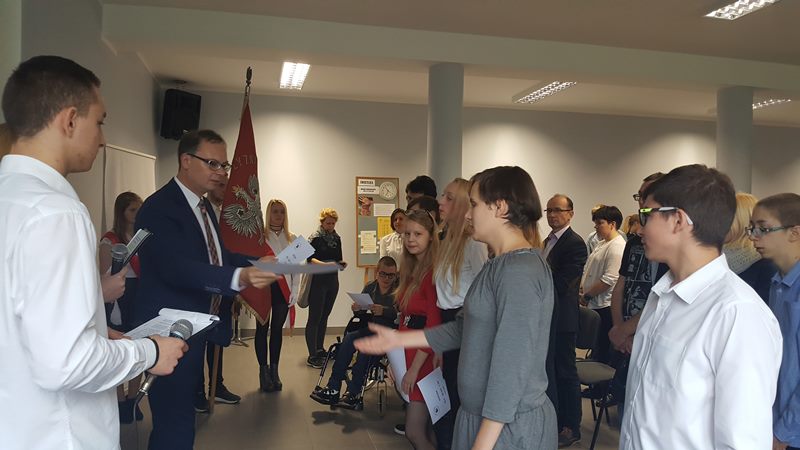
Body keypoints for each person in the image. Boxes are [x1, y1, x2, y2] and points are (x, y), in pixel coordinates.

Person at [0, 55, 186, 450]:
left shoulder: (10, 197)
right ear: (69, 120)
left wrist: (99, 333)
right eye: (99, 122)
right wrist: (150, 351)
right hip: (59, 435)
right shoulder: (56, 212)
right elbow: (66, 362)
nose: (102, 139)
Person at [357, 165, 557, 450]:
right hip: (481, 419)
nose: (467, 214)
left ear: (500, 207)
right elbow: (466, 327)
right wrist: (401, 340)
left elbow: (511, 370)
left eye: (474, 205)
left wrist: (482, 444)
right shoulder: (498, 264)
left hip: (504, 430)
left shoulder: (519, 272)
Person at [620, 164, 782, 449]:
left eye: (647, 214)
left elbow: (743, 441)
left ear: (678, 220)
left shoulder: (737, 313)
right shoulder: (661, 296)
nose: (640, 228)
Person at [134, 129, 277, 450]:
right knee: (174, 422)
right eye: (213, 163)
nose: (221, 173)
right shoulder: (159, 207)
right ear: (186, 160)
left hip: (196, 326)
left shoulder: (203, 206)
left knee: (182, 418)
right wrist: (239, 277)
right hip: (168, 330)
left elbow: (217, 256)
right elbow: (175, 267)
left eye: (224, 165)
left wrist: (257, 262)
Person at [606, 173, 668, 417]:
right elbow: (620, 286)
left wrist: (626, 331)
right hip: (627, 338)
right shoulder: (633, 243)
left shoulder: (669, 249)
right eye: (639, 195)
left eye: (647, 195)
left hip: (651, 337)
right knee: (628, 405)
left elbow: (661, 298)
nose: (641, 200)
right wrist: (619, 328)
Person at [434, 177, 489, 450]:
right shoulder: (446, 239)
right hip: (447, 320)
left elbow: (481, 292)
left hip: (464, 322)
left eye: (449, 198)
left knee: (457, 394)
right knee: (446, 393)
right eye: (443, 196)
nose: (440, 202)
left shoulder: (473, 244)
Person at [311, 256, 399, 409]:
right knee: (349, 338)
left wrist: (384, 311)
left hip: (388, 333)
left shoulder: (400, 290)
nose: (386, 278)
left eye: (391, 275)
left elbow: (403, 315)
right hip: (369, 328)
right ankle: (333, 387)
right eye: (383, 274)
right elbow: (362, 315)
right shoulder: (370, 287)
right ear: (377, 273)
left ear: (395, 275)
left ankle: (354, 392)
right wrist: (357, 309)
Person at [749, 193, 800, 450]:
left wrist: (783, 432)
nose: (753, 237)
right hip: (776, 420)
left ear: (794, 233)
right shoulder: (777, 283)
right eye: (752, 228)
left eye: (764, 229)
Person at [542, 194, 588, 448]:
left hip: (563, 320)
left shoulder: (575, 244)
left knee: (565, 372)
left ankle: (571, 427)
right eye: (549, 210)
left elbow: (561, 283)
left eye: (558, 210)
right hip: (548, 317)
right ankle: (556, 422)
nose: (552, 215)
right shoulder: (547, 240)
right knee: (551, 372)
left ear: (570, 213)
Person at [194, 173, 241, 411]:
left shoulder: (231, 215)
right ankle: (198, 391)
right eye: (221, 185)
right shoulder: (202, 211)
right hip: (204, 287)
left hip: (225, 286)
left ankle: (217, 385)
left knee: (218, 339)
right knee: (199, 341)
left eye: (227, 187)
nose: (224, 190)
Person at [99, 191, 145, 423]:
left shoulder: (142, 236)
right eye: (133, 210)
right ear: (122, 212)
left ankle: (133, 399)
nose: (137, 213)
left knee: (138, 342)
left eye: (140, 209)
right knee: (118, 347)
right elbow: (105, 274)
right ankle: (119, 401)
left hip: (140, 293)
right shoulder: (110, 240)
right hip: (118, 296)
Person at [257, 198, 300, 392]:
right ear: (268, 213)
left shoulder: (292, 238)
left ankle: (274, 371)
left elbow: (296, 269)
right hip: (264, 288)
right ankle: (263, 372)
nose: (279, 215)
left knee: (276, 330)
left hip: (284, 289)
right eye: (275, 211)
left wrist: (295, 290)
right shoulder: (260, 237)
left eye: (282, 211)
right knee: (262, 329)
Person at [579, 205, 626, 365]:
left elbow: (609, 279)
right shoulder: (602, 243)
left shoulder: (617, 246)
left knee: (603, 350)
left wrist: (587, 295)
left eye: (600, 223)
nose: (596, 227)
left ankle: (600, 380)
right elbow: (589, 269)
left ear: (612, 224)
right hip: (594, 302)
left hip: (604, 305)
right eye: (596, 223)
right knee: (597, 347)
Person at [305, 207, 347, 368]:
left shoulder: (337, 238)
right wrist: (325, 265)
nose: (330, 226)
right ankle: (312, 355)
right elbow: (309, 259)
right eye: (328, 223)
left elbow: (338, 259)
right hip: (318, 280)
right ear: (322, 222)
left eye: (333, 223)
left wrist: (341, 264)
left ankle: (319, 348)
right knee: (314, 317)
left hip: (332, 280)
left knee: (324, 316)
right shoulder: (315, 237)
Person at [722, 192, 776, 303]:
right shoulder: (717, 256)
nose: (719, 223)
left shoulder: (765, 264)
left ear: (741, 221)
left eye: (725, 217)